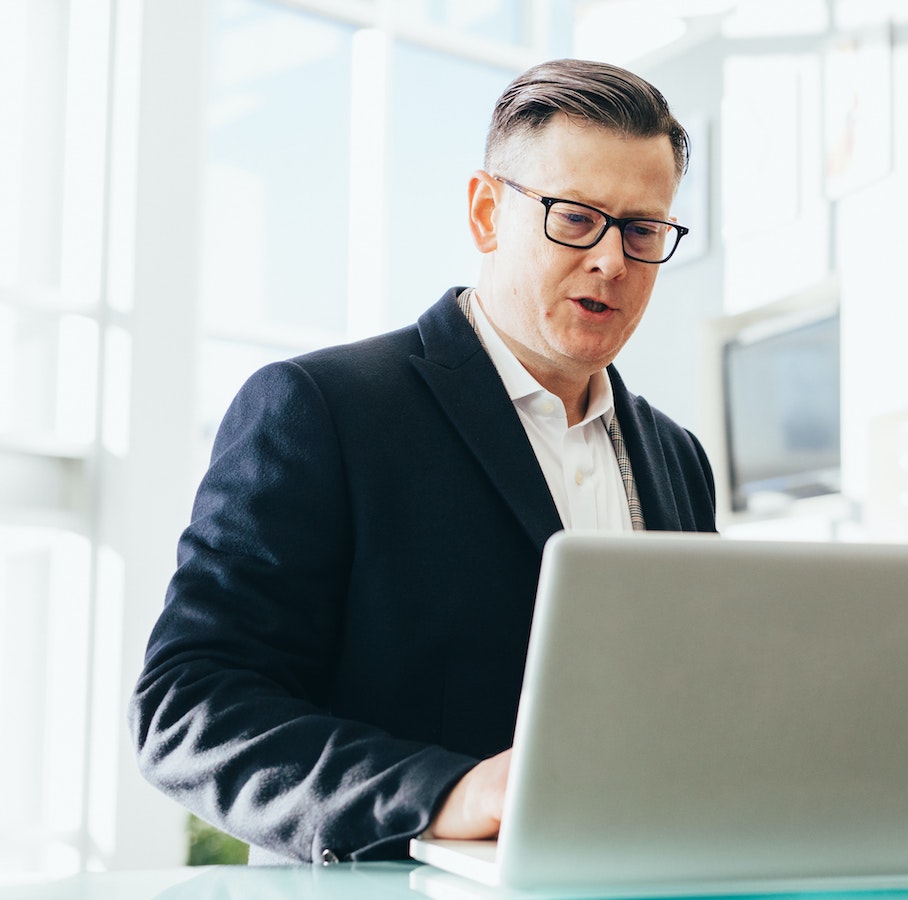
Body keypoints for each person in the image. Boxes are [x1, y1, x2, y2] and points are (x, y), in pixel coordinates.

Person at [129, 59, 717, 864]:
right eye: (575, 218)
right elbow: (188, 711)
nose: (612, 260)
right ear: (486, 213)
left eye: (643, 230)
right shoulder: (319, 409)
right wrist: (448, 794)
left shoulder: (677, 458)